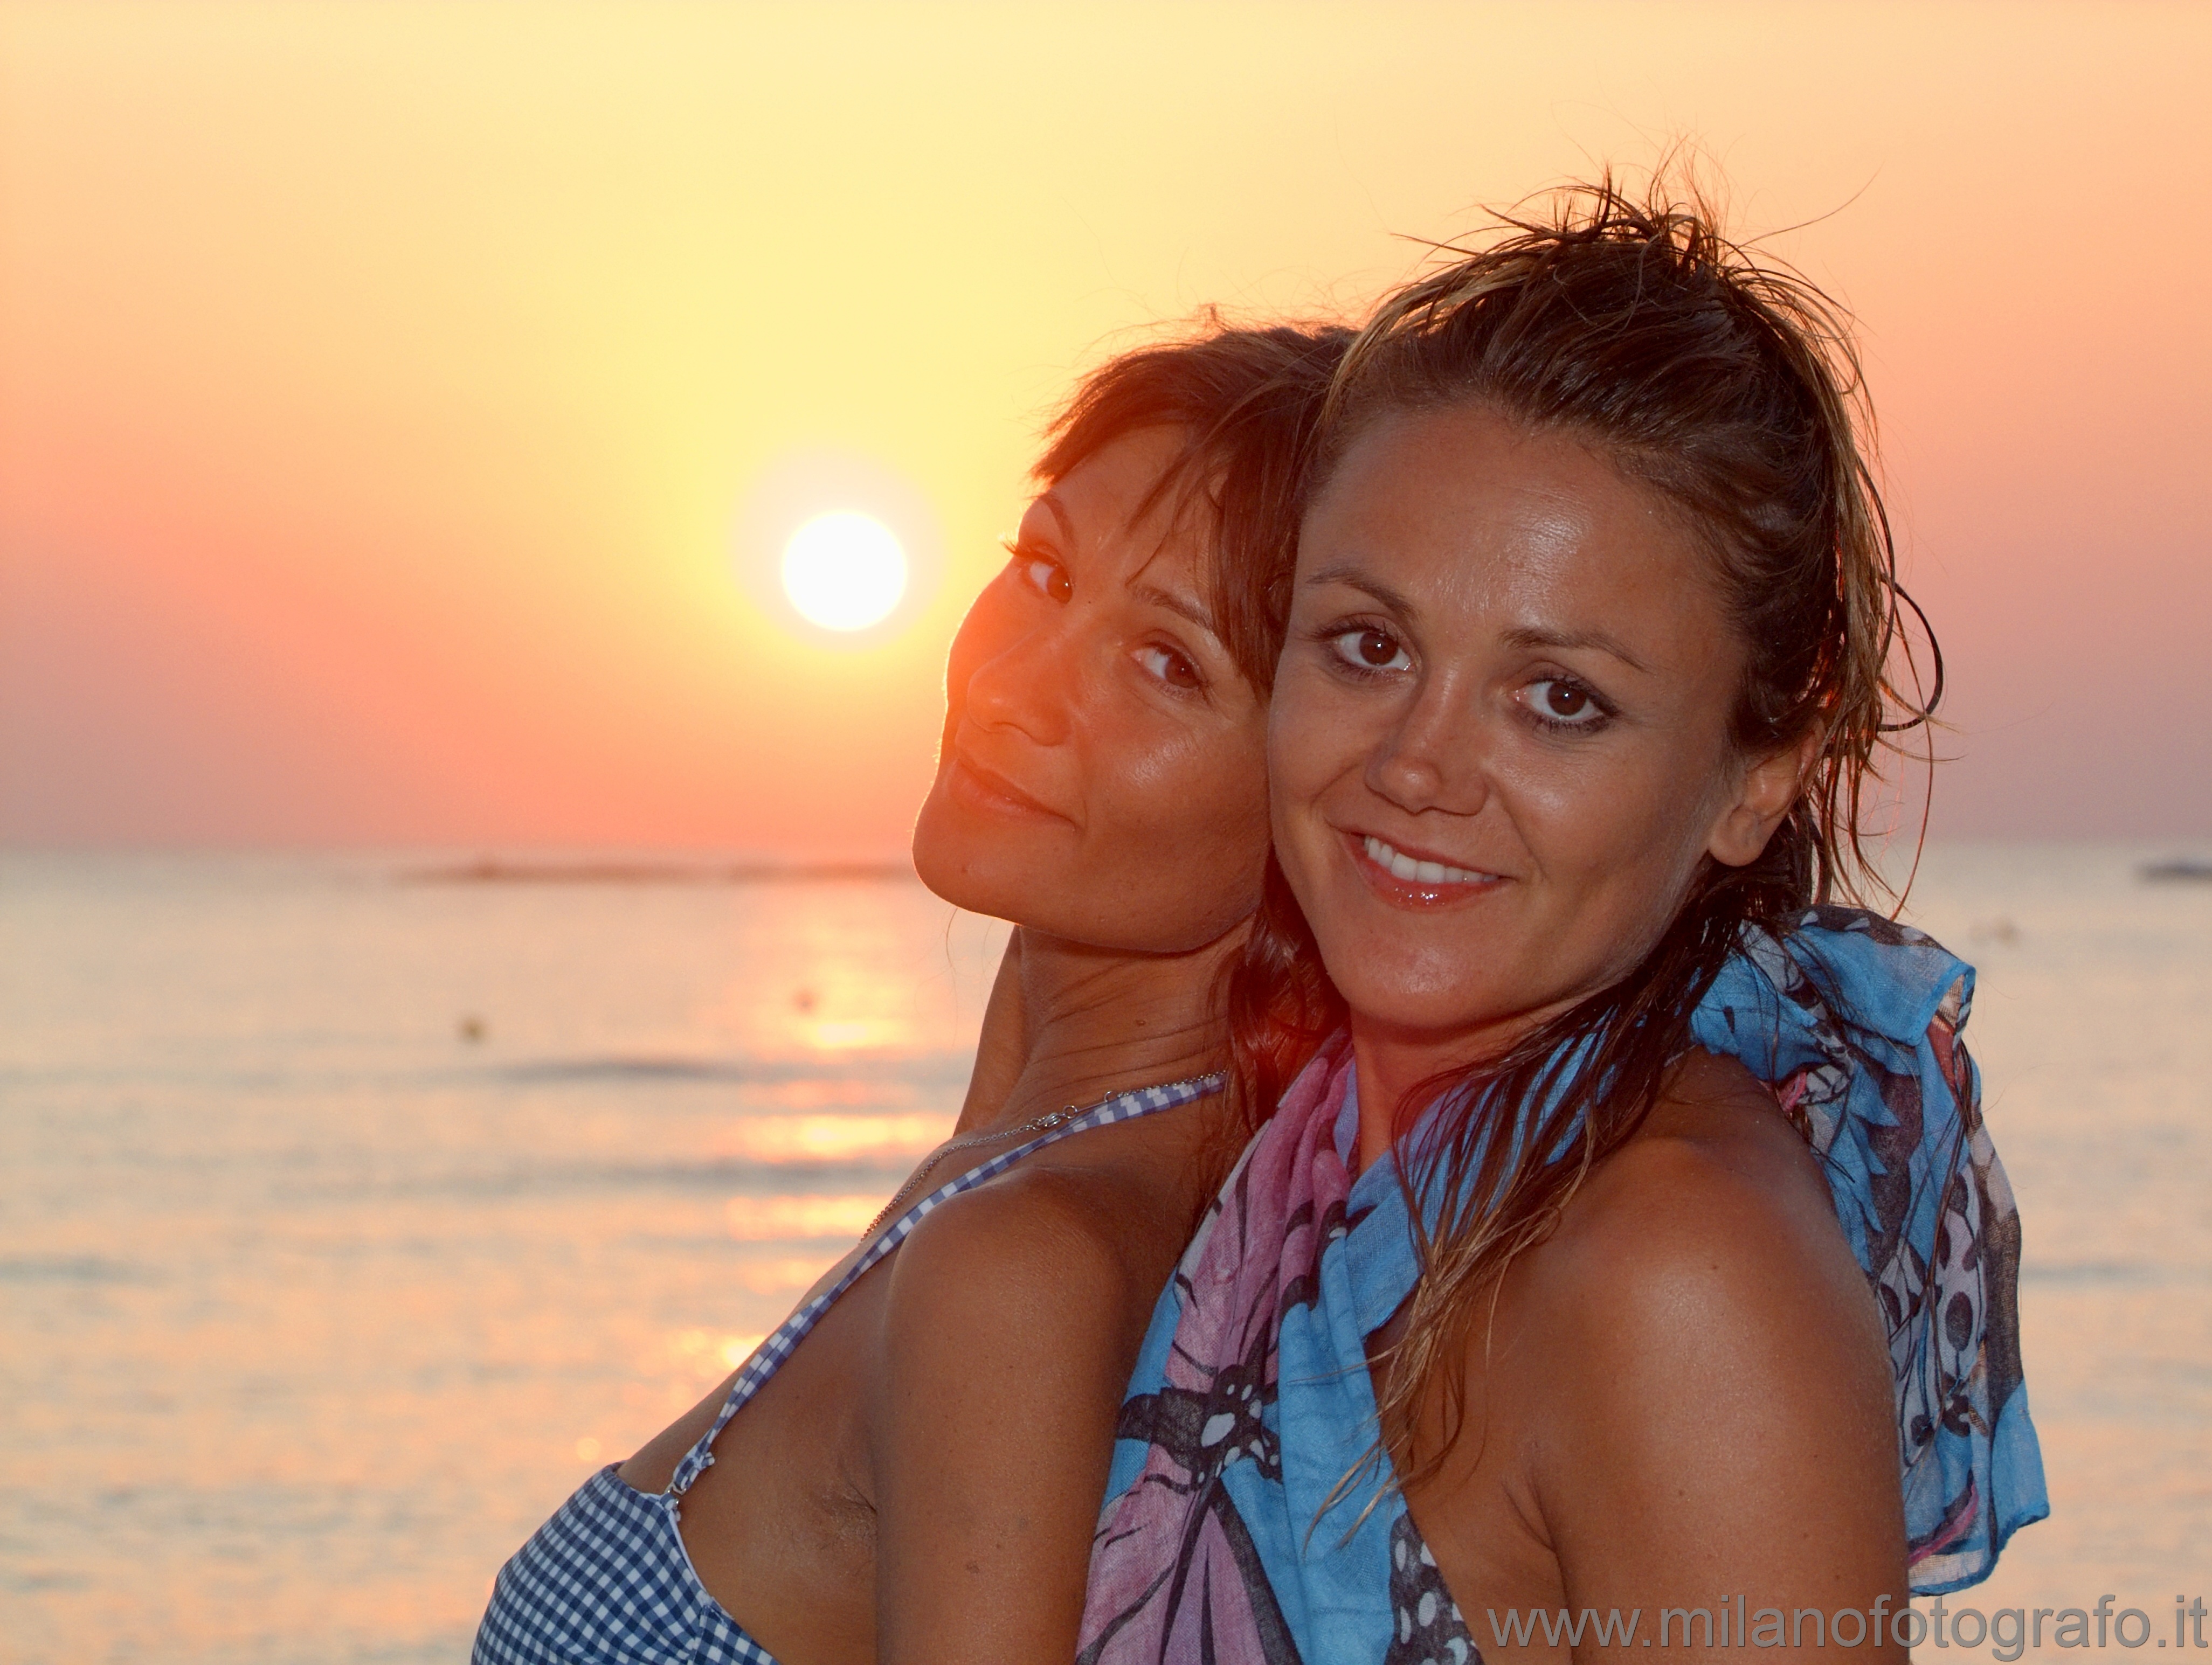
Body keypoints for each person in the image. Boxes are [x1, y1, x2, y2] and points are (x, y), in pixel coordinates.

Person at [1083, 181, 2047, 1664]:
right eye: (1369, 644)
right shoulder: (1322, 1154)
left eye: (1561, 700)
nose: (1414, 764)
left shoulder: (1678, 1276)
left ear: (1755, 777)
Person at [473, 317, 1350, 1665]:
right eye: (1045, 571)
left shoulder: (1026, 1268)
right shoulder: (1045, 1186)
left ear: (1320, 783)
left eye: (1170, 662)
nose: (1013, 690)